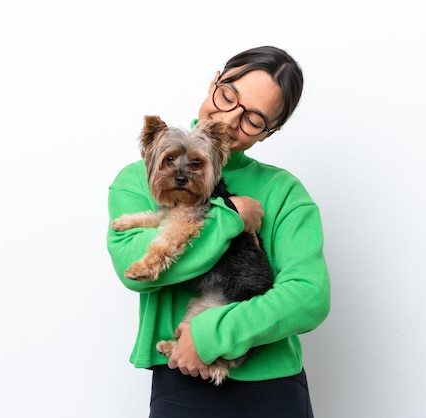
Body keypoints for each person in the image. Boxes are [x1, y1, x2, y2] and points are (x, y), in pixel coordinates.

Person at [107, 45, 330, 417]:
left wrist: (211, 336)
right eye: (228, 95)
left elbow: (309, 296)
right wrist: (231, 216)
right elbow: (135, 270)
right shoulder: (137, 178)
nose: (228, 119)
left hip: (272, 386)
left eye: (254, 119)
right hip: (178, 379)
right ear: (215, 81)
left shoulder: (284, 190)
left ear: (269, 132)